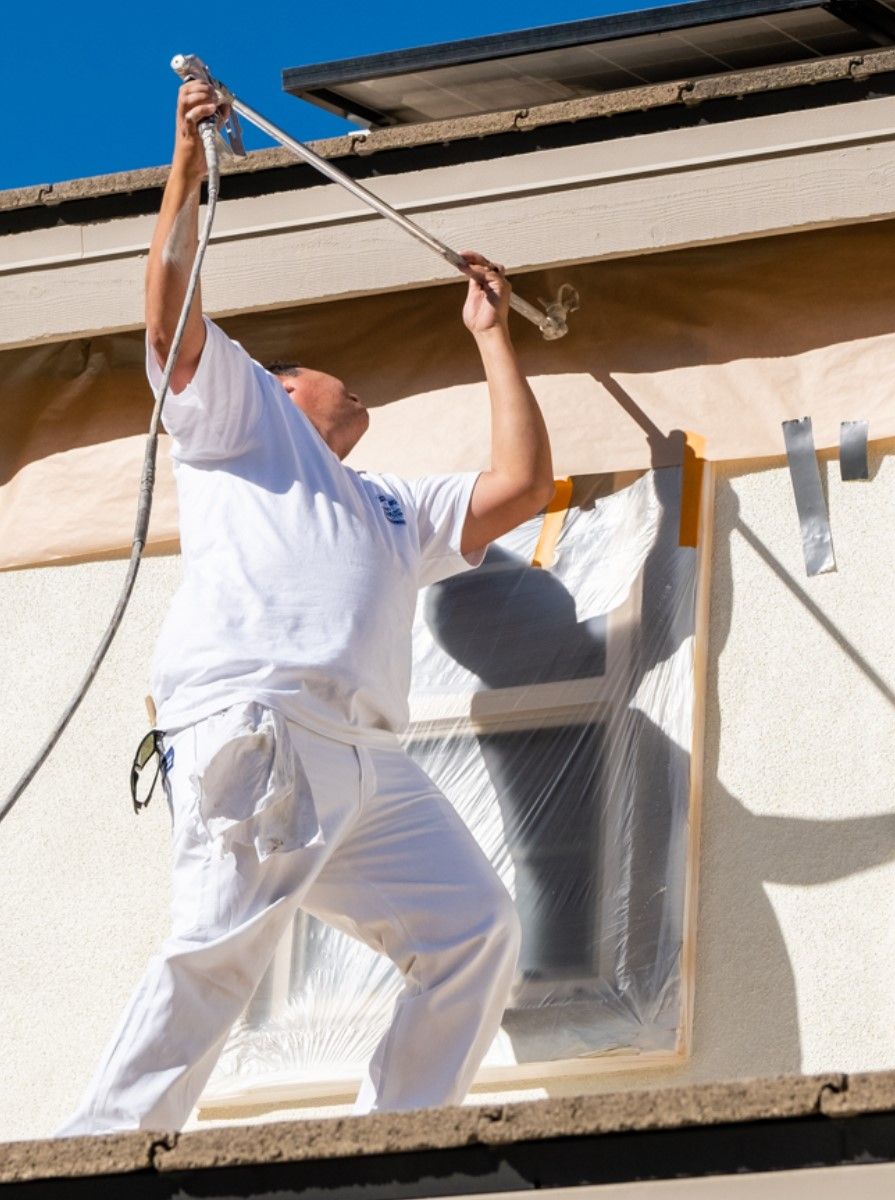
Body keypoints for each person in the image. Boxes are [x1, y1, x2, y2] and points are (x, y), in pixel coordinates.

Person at [59, 79, 554, 1135]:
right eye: (335, 372)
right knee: (218, 952)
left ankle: (390, 1142)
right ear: (285, 387)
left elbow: (522, 486)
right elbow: (171, 312)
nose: (356, 382)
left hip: (362, 758)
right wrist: (187, 170)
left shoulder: (388, 507)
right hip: (262, 721)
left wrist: (490, 337)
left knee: (473, 929)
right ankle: (94, 1156)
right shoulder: (242, 419)